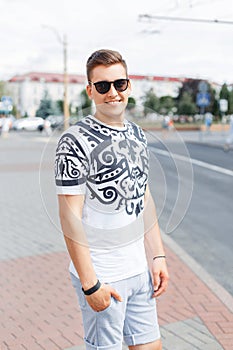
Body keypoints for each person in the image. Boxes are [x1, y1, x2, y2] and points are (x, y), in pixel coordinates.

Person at [55, 49, 169, 350]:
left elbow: (143, 196)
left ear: (128, 86)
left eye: (119, 83)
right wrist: (90, 283)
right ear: (90, 90)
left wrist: (157, 255)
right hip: (103, 274)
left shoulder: (137, 134)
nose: (113, 93)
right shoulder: (75, 140)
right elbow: (70, 217)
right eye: (103, 86)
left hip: (138, 271)